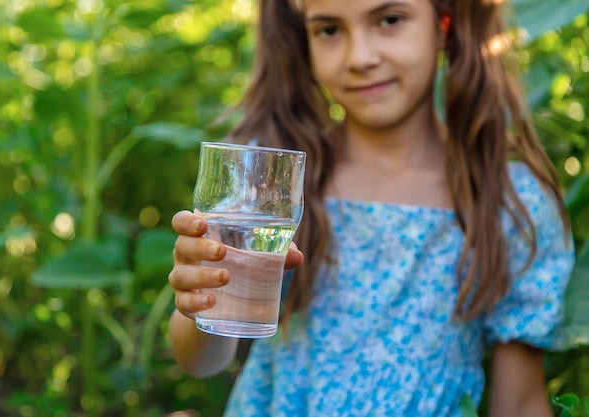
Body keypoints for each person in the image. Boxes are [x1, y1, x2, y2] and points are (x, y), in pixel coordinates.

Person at [168, 0, 576, 415]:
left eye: (389, 20)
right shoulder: (273, 183)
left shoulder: (508, 201)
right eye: (329, 29)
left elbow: (520, 403)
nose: (360, 57)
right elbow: (201, 361)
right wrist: (201, 294)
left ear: (444, 23)